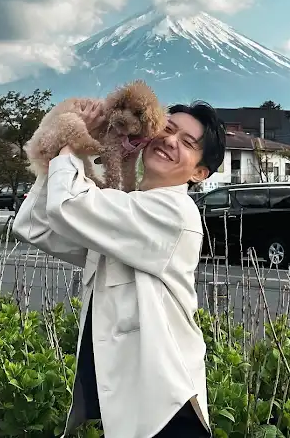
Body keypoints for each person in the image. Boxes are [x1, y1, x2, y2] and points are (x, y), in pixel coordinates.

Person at [12, 100, 226, 438]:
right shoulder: (128, 208)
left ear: (199, 173)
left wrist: (74, 139)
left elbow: (68, 205)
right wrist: (72, 154)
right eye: (167, 129)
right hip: (136, 408)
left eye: (187, 142)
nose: (170, 140)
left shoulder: (174, 213)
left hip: (166, 411)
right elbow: (37, 225)